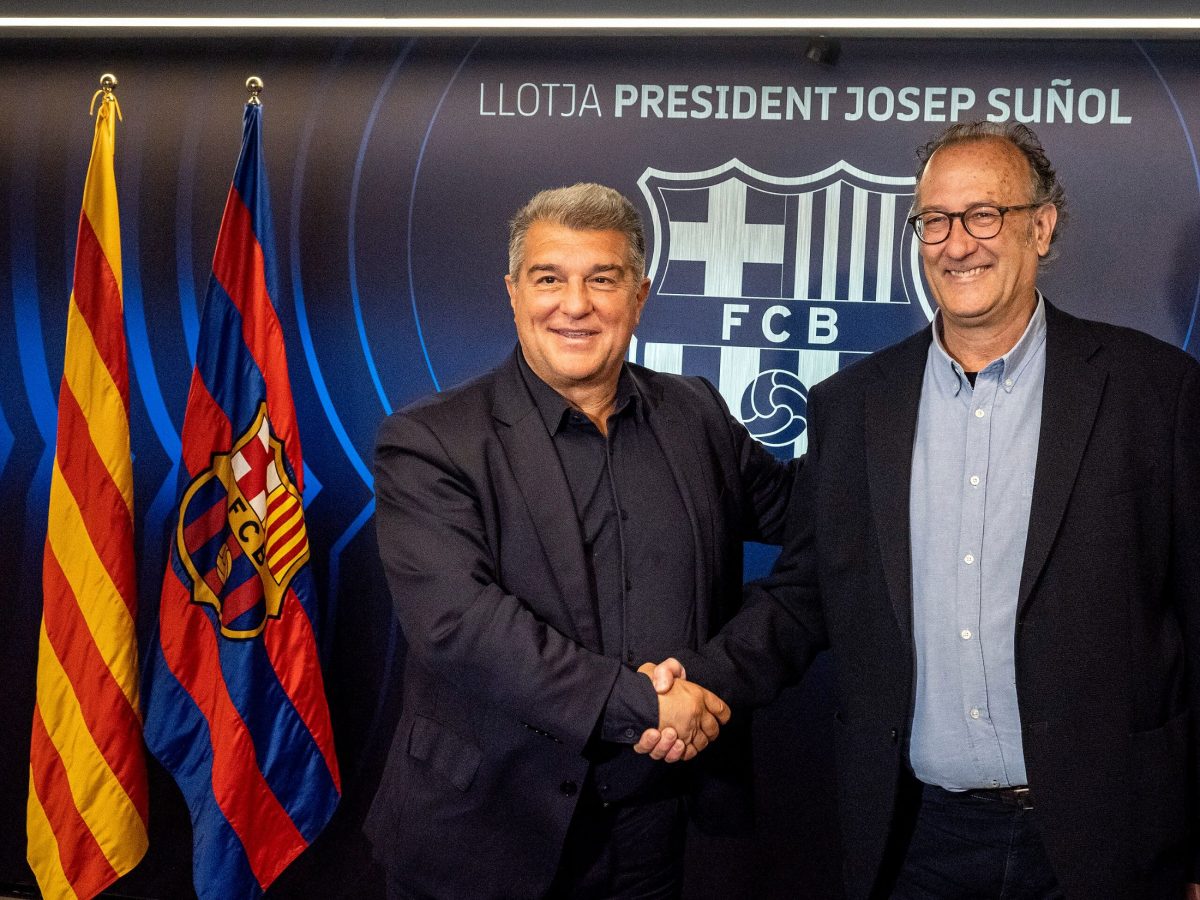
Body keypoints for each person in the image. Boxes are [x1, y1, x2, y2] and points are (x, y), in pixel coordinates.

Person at [640, 122, 1200, 898]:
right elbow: (805, 594)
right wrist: (700, 681)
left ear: (1041, 227)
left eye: (984, 215)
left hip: (1114, 835)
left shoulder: (1154, 392)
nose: (956, 243)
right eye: (934, 220)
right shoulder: (852, 407)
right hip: (917, 838)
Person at [365, 183, 795, 898]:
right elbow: (461, 624)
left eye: (603, 279)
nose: (575, 305)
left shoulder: (695, 413)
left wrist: (900, 417)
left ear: (639, 296)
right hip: (483, 832)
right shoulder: (431, 439)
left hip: (654, 826)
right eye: (549, 279)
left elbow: (809, 514)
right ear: (513, 293)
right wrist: (645, 705)